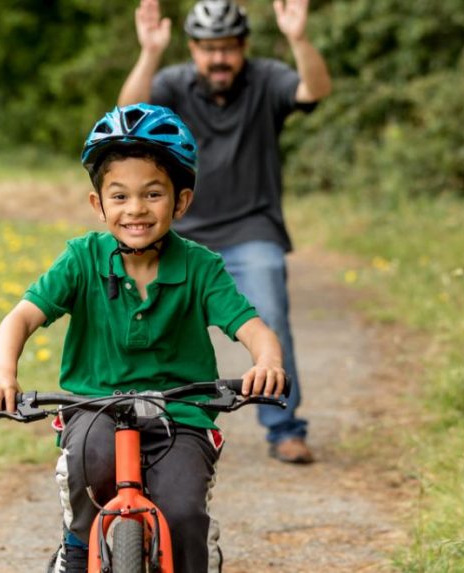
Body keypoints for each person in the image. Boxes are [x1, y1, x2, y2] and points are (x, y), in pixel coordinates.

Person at [0, 103, 286, 573]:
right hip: (93, 407)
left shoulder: (200, 267)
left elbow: (253, 330)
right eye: (119, 196)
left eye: (152, 194)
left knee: (182, 513)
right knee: (87, 468)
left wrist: (267, 363)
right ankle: (75, 548)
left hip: (181, 414)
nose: (135, 209)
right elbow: (20, 319)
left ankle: (199, 548)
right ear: (98, 204)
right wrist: (2, 374)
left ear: (180, 201)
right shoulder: (81, 259)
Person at [117, 0, 332, 464]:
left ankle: (284, 428)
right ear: (193, 48)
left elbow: (315, 90)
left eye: (229, 49)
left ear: (243, 48)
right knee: (154, 323)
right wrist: (150, 53)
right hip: (183, 232)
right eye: (209, 48)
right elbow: (129, 112)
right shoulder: (174, 83)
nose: (219, 59)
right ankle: (159, 426)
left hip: (252, 229)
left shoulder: (267, 79)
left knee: (269, 318)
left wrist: (298, 38)